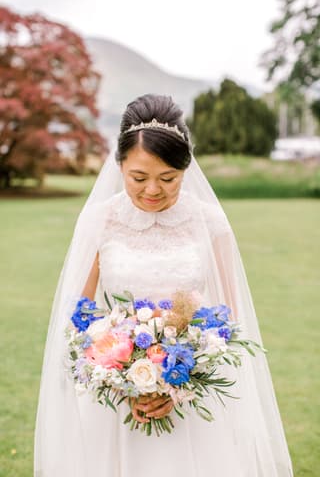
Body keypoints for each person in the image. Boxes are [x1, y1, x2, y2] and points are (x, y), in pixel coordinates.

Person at [34, 94, 293, 476]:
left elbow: (231, 321)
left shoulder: (211, 223)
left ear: (185, 170)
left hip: (194, 399)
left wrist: (179, 385)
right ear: (119, 165)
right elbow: (79, 318)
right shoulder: (99, 221)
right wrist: (123, 379)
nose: (153, 189)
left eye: (168, 178)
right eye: (139, 177)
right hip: (114, 400)